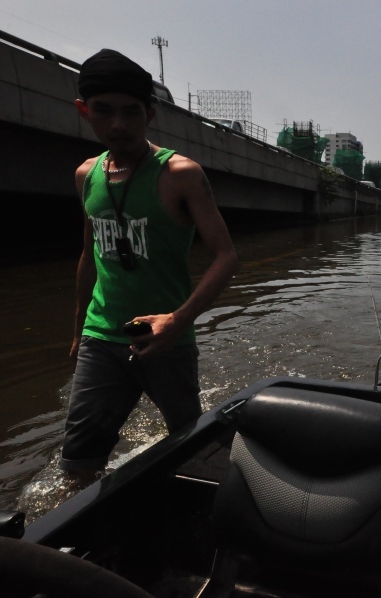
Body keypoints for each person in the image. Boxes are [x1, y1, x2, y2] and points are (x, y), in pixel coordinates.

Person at [61, 49, 238, 476]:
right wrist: (78, 329)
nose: (118, 124)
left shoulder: (180, 174)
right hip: (100, 337)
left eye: (131, 112)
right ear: (84, 111)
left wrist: (178, 320)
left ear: (151, 114)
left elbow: (226, 255)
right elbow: (90, 255)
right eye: (103, 111)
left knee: (193, 450)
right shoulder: (86, 174)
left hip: (166, 340)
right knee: (78, 462)